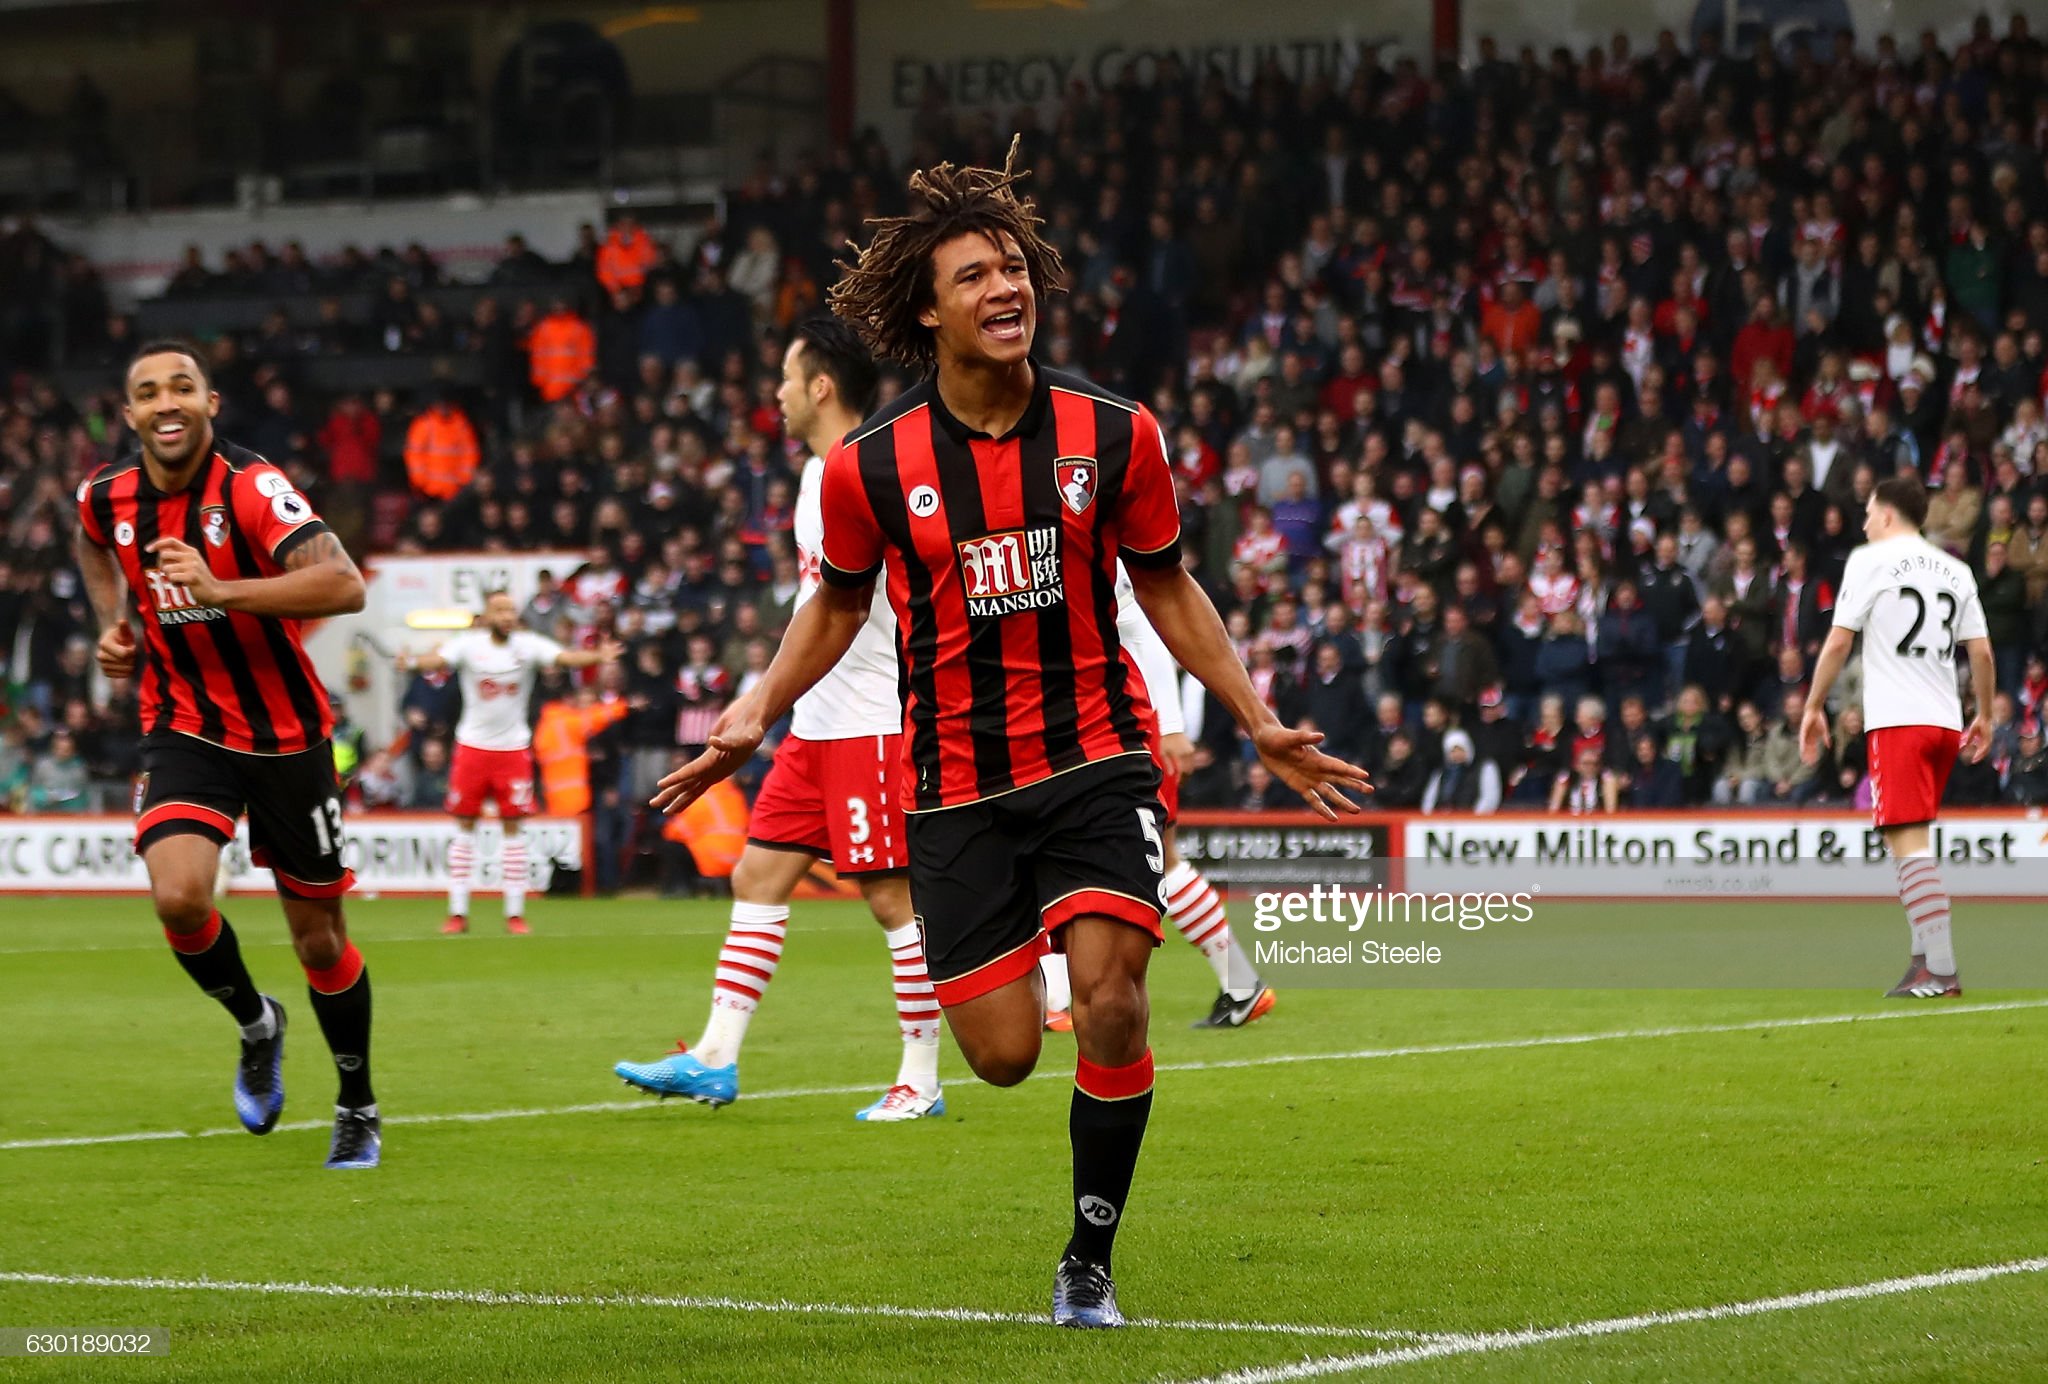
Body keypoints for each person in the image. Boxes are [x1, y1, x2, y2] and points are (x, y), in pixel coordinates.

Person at [649, 142, 1367, 1328]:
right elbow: (832, 604)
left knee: (1112, 999)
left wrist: (1255, 718)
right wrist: (752, 712)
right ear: (926, 310)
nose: (1004, 288)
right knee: (996, 1053)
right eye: (975, 274)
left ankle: (1087, 1256)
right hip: (956, 785)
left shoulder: (1113, 434)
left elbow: (1170, 586)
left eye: (1015, 266)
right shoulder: (870, 468)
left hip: (1095, 757)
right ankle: (1024, 1013)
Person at [613, 316, 949, 1122]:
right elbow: (814, 603)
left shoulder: (870, 472)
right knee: (757, 875)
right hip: (814, 723)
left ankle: (922, 1078)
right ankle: (715, 1059)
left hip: (871, 718)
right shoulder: (810, 479)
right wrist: (761, 696)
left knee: (889, 898)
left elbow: (865, 606)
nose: (778, 393)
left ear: (821, 387)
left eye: (788, 379)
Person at [73, 340, 381, 1169]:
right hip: (183, 724)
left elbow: (345, 584)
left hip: (289, 736)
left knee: (318, 941)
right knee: (178, 897)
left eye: (183, 387)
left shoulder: (251, 489)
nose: (165, 402)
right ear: (128, 414)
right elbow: (92, 541)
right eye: (147, 393)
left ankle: (356, 1101)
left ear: (210, 404)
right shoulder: (109, 494)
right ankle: (257, 1023)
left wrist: (222, 589)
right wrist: (116, 623)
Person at [1039, 563, 1277, 1032]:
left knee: (1150, 858)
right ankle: (1241, 982)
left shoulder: (1090, 546)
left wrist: (1170, 727)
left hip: (1121, 726)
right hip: (1097, 726)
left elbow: (1141, 626)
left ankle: (1056, 999)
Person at [1801, 473, 1994, 998]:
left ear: (1887, 514)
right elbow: (1981, 652)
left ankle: (1943, 968)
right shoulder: (1957, 568)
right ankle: (1920, 961)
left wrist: (1814, 704)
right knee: (1909, 842)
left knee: (1909, 849)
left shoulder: (1868, 561)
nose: (1863, 522)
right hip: (1945, 721)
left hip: (1899, 721)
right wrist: (1987, 716)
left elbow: (1839, 643)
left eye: (1867, 512)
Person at [396, 591, 621, 935]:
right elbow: (437, 660)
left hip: (512, 750)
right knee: (464, 829)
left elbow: (565, 657)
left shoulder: (528, 645)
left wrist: (596, 656)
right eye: (500, 610)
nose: (507, 615)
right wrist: (411, 662)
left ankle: (514, 913)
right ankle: (458, 912)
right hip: (472, 748)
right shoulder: (469, 645)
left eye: (511, 610)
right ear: (487, 615)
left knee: (514, 831)